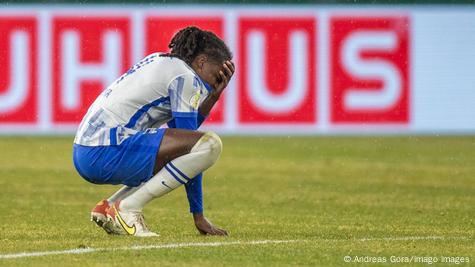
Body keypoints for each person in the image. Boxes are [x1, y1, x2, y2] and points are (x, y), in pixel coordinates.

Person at [72, 26, 235, 237]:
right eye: (216, 76)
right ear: (201, 62)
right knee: (211, 144)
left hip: (86, 150)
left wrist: (212, 97)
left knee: (181, 148)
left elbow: (183, 135)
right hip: (105, 150)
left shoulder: (160, 60)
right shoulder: (185, 77)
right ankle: (128, 209)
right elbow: (189, 146)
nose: (214, 83)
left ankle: (111, 207)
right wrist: (198, 214)